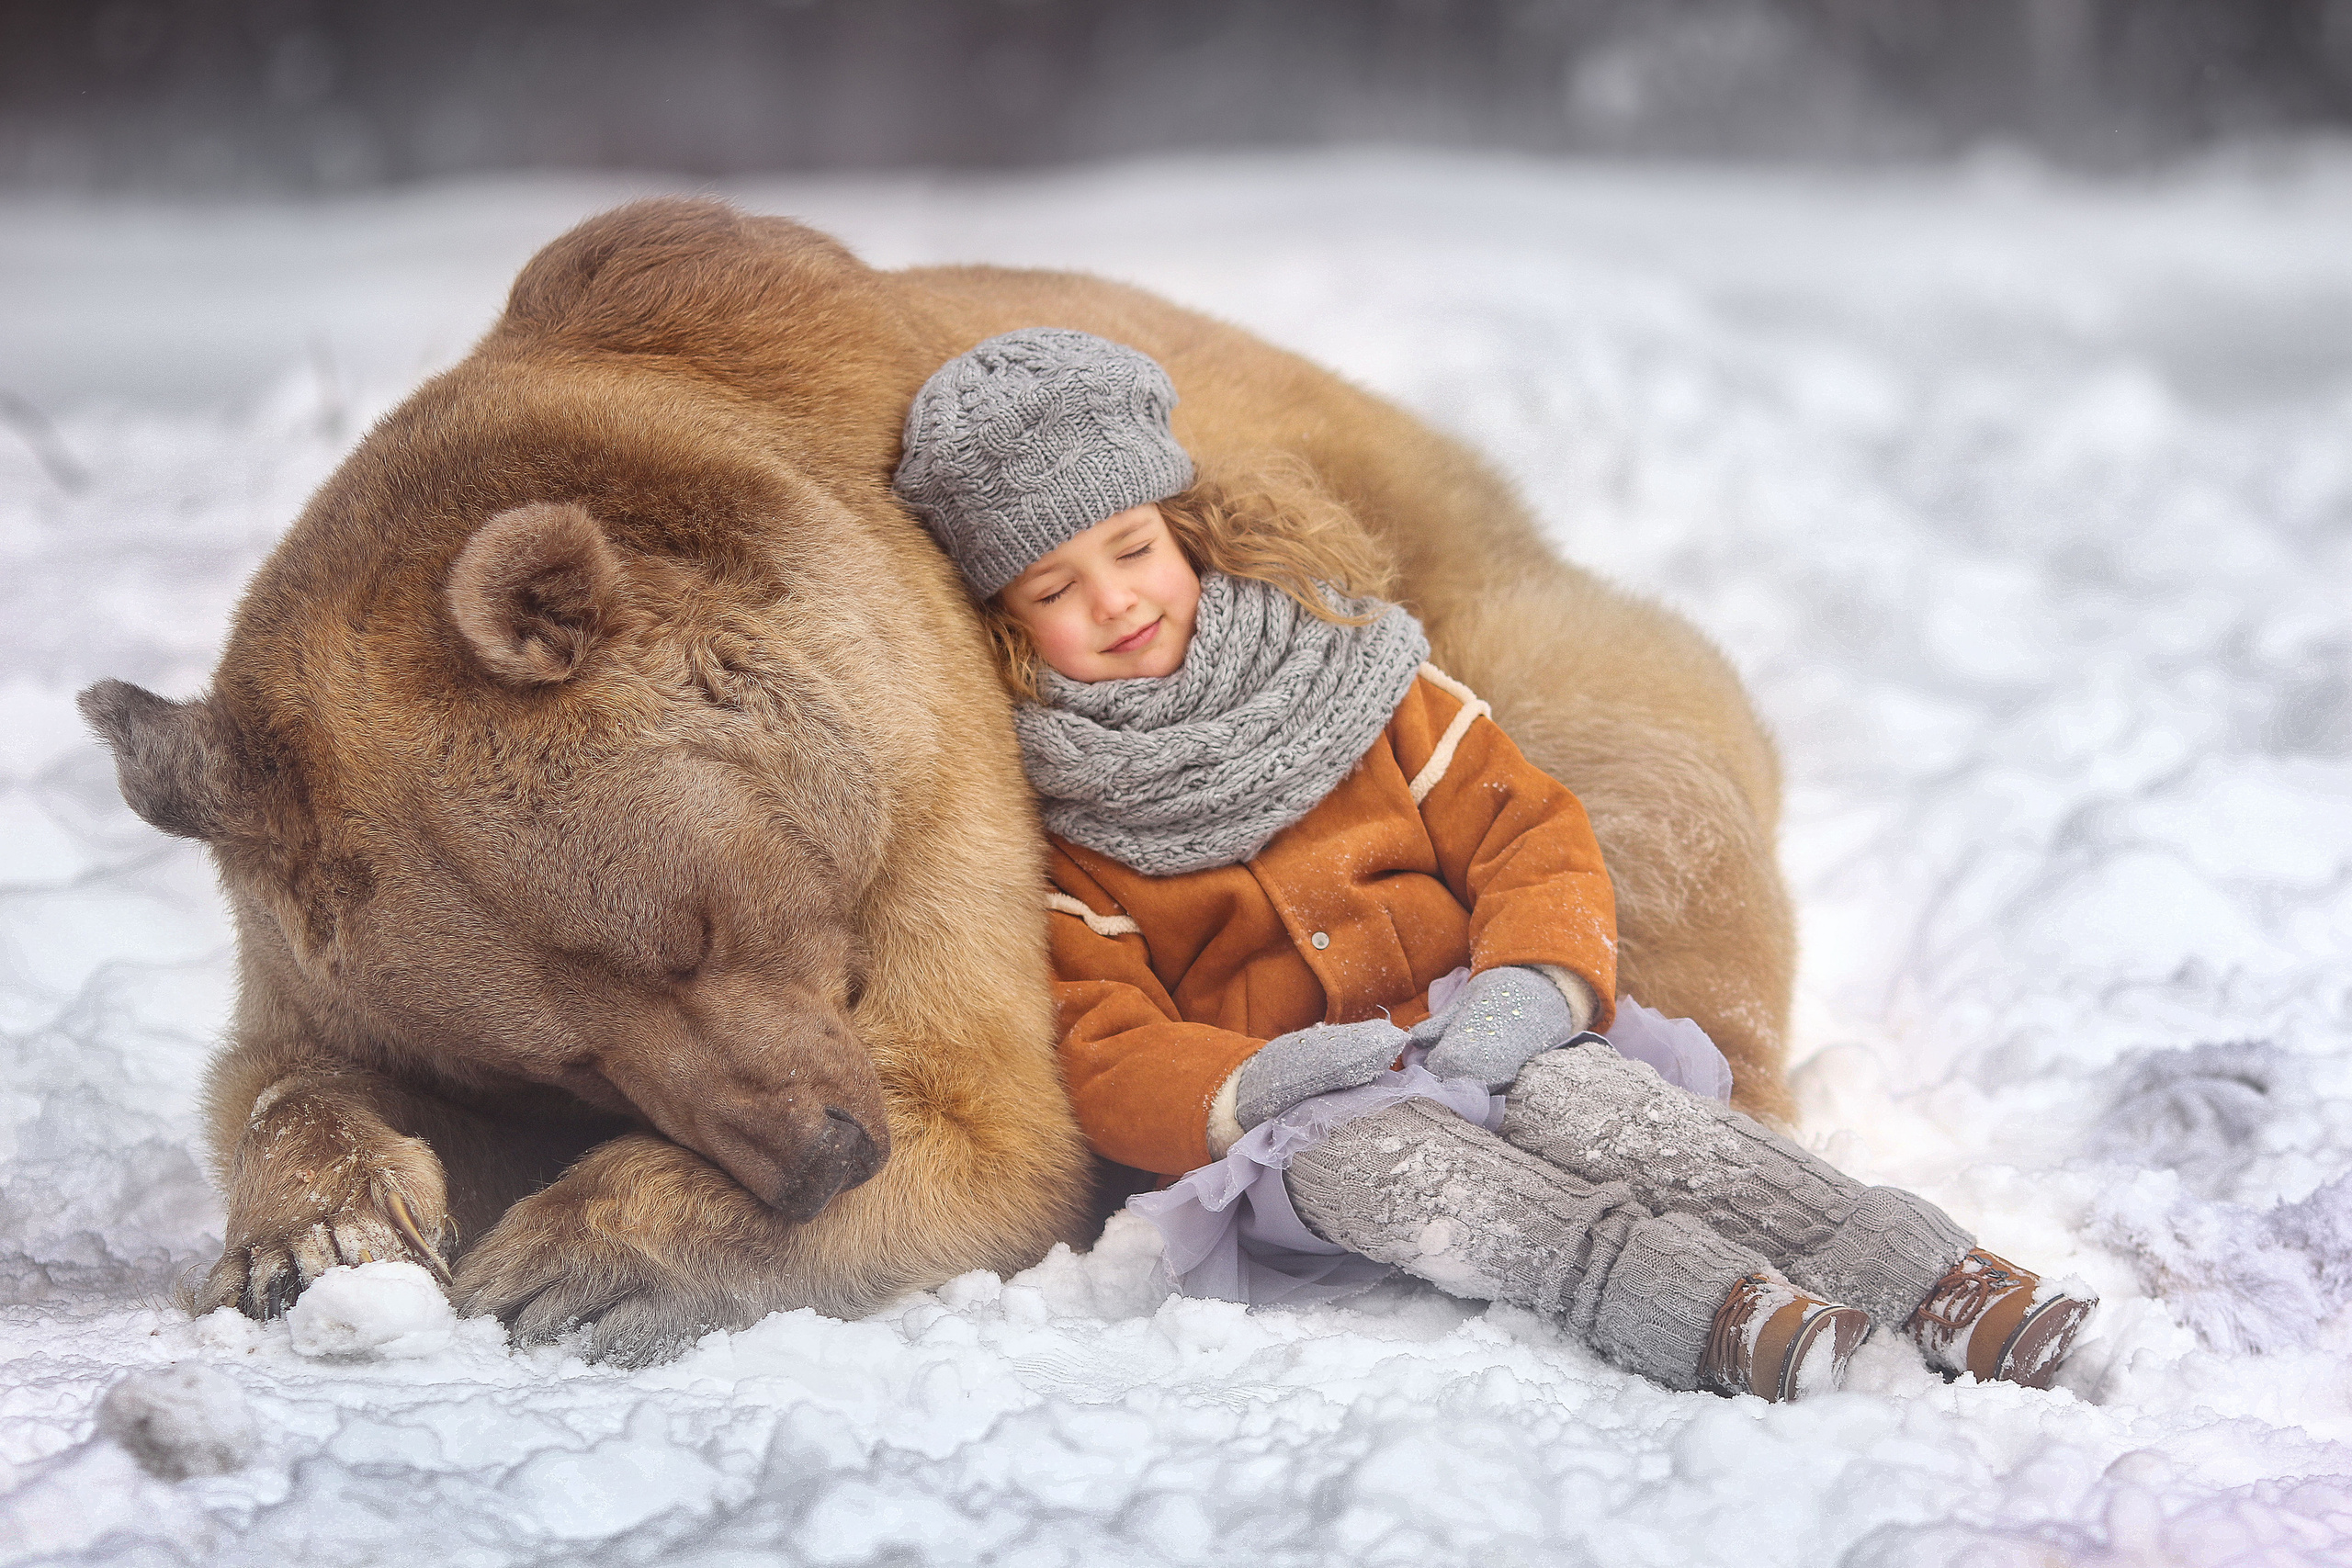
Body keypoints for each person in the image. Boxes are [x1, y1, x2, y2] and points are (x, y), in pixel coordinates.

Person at [892, 327, 2098, 1402]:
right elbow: (1105, 1038)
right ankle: (1716, 1313)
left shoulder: (1362, 679)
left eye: (1131, 547)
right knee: (1399, 1174)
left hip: (1488, 1026)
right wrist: (1257, 1082)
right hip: (1300, 1119)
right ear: (1005, 622)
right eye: (1055, 587)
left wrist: (1535, 982)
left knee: (1615, 1108)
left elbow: (1528, 829)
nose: (1113, 601)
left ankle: (1925, 1273)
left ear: (1184, 527)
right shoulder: (1068, 825)